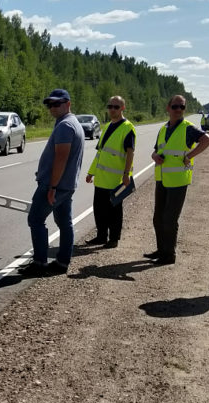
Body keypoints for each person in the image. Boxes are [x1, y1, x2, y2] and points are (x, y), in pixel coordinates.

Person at [21, 88, 84, 276]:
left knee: (35, 219)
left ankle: (39, 262)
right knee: (65, 223)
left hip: (56, 186)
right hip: (66, 185)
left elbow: (61, 158)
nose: (53, 107)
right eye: (50, 104)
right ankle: (62, 262)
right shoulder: (70, 123)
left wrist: (52, 186)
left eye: (57, 103)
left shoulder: (65, 126)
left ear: (68, 103)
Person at [145, 94, 209, 265]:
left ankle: (169, 255)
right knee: (158, 218)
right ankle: (161, 250)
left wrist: (190, 155)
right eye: (175, 106)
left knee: (169, 218)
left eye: (181, 107)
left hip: (178, 180)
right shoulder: (163, 129)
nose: (178, 110)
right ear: (168, 108)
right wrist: (155, 156)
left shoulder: (188, 128)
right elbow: (156, 150)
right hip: (162, 178)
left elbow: (207, 140)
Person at [84, 95, 136, 248]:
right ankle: (101, 236)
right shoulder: (106, 127)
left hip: (116, 180)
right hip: (101, 178)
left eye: (116, 107)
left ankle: (113, 239)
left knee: (114, 211)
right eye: (110, 106)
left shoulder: (128, 127)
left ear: (122, 108)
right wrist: (91, 172)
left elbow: (130, 153)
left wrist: (126, 174)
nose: (112, 109)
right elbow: (100, 153)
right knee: (99, 210)